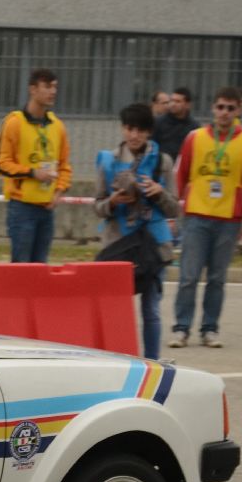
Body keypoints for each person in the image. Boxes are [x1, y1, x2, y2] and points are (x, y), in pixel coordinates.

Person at [170, 86, 242, 349]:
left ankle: (209, 329)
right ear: (213, 108)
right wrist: (171, 212)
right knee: (188, 276)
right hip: (196, 217)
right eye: (220, 107)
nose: (224, 113)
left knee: (217, 279)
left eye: (230, 108)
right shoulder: (194, 138)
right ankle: (181, 328)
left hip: (229, 220)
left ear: (238, 110)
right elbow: (179, 176)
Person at [93, 103, 179, 361]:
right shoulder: (108, 161)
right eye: (130, 129)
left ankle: (152, 362)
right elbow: (97, 207)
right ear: (123, 129)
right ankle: (118, 360)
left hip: (151, 247)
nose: (134, 135)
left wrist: (158, 192)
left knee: (151, 309)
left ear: (149, 132)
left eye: (140, 130)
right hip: (118, 246)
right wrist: (113, 202)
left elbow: (174, 208)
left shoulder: (162, 162)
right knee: (117, 309)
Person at [0, 68, 71, 263]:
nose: (53, 92)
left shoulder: (57, 126)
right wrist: (32, 173)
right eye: (47, 86)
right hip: (22, 208)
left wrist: (59, 191)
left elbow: (64, 165)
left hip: (47, 208)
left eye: (55, 87)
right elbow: (0, 164)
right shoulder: (14, 123)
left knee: (41, 267)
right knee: (21, 266)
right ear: (33, 89)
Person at [153, 86, 201, 165]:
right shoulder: (158, 122)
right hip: (161, 167)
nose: (173, 104)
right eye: (172, 100)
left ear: (187, 105)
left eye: (177, 101)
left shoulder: (194, 128)